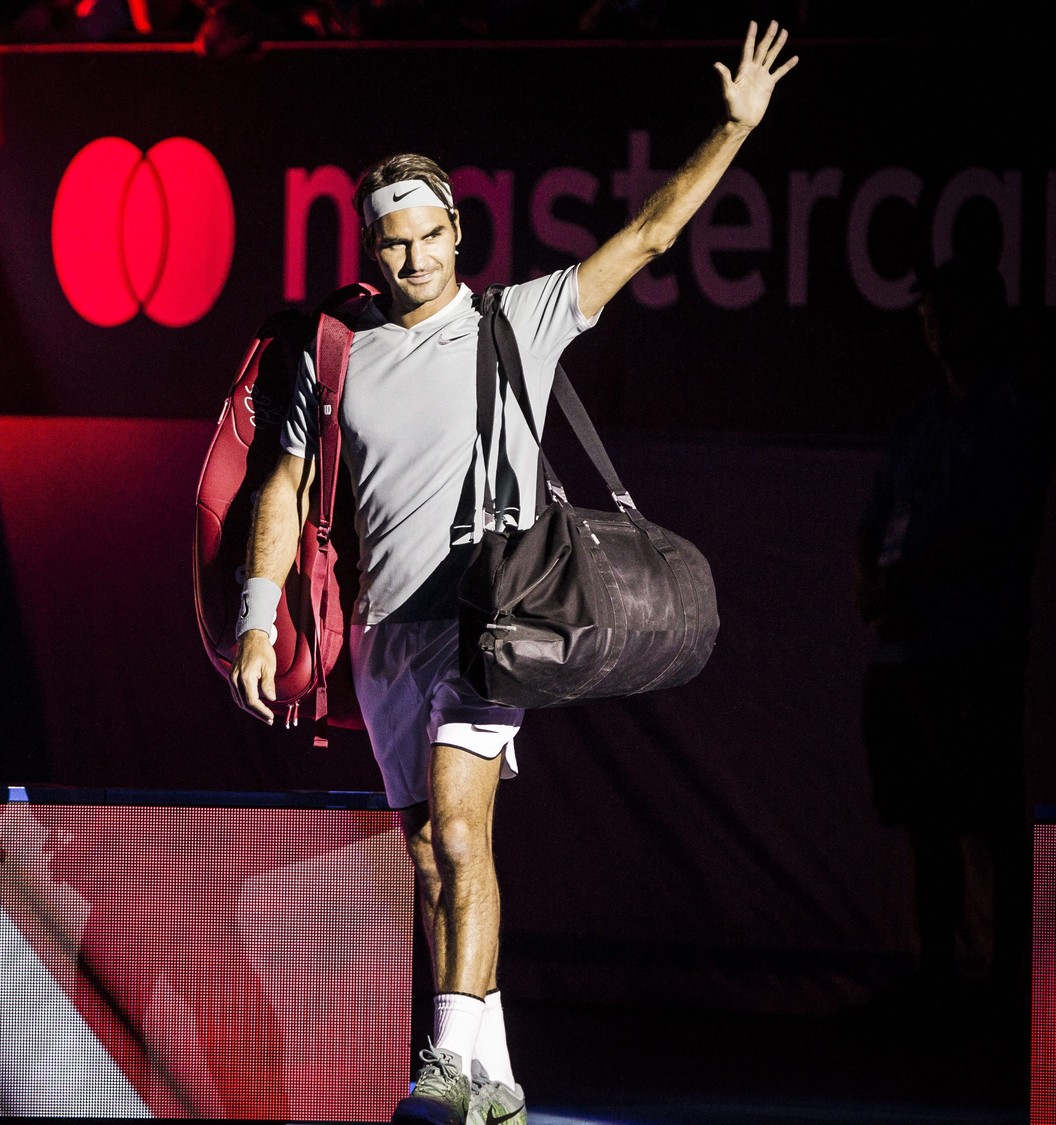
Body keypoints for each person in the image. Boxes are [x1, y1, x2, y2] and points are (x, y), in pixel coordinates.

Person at [228, 20, 796, 1125]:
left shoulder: (516, 322)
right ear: (368, 249)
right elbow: (283, 492)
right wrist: (260, 620)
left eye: (429, 235)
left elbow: (647, 236)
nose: (412, 258)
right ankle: (491, 1075)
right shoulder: (330, 353)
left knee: (458, 827)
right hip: (385, 639)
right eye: (392, 243)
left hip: (491, 624)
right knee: (430, 860)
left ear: (457, 231)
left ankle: (443, 1066)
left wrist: (733, 127)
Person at [854, 255, 1048, 1032]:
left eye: (949, 306)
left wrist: (916, 579)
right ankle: (936, 982)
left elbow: (998, 529)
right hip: (904, 654)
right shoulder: (919, 421)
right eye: (926, 307)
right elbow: (873, 525)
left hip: (977, 648)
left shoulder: (1013, 412)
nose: (934, 322)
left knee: (997, 823)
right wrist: (872, 581)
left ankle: (1015, 993)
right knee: (925, 825)